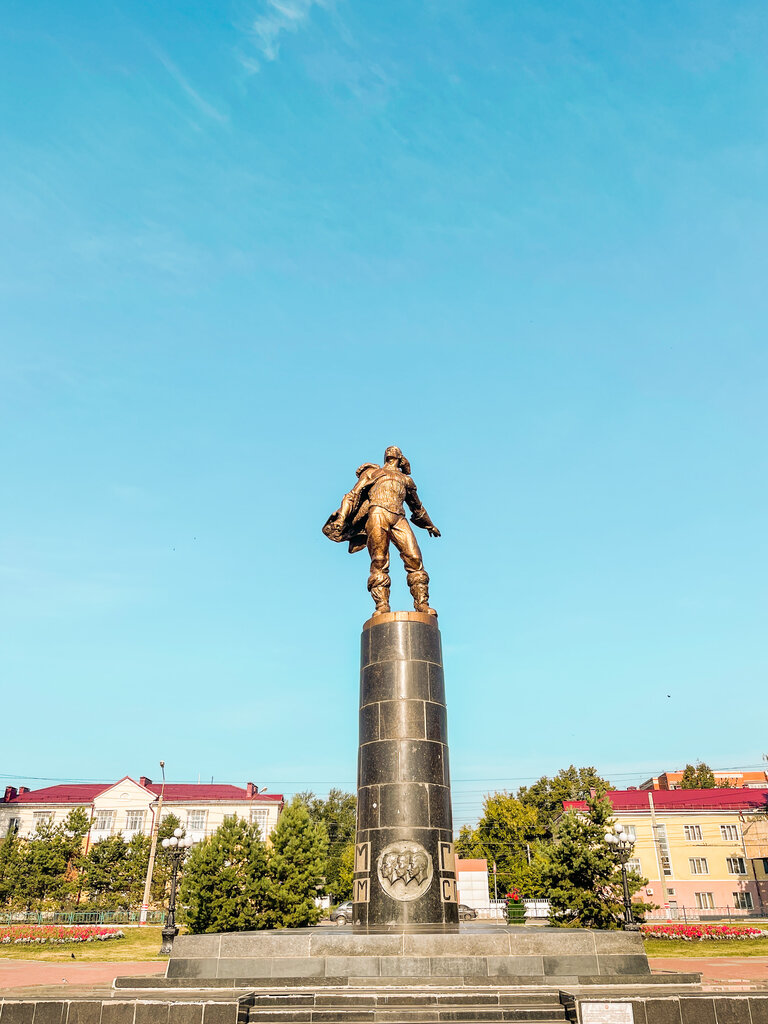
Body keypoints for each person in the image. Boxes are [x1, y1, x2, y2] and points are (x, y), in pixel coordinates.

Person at [324, 446, 441, 616]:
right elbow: (351, 495)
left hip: (399, 518)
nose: (391, 450)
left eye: (395, 450)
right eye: (389, 450)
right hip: (377, 513)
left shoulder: (406, 480)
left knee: (414, 557)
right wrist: (342, 517)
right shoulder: (373, 473)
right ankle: (382, 606)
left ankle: (422, 604)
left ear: (400, 458)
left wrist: (429, 524)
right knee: (379, 560)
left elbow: (417, 508)